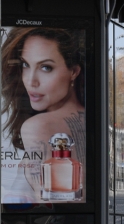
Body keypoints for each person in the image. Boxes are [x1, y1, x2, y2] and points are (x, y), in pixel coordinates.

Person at [1, 27, 85, 202]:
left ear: (74, 72)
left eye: (46, 67)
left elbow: (54, 206)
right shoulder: (88, 118)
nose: (31, 81)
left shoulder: (40, 126)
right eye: (25, 64)